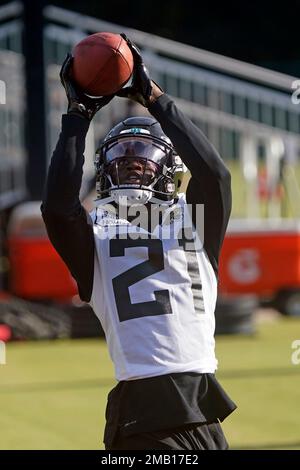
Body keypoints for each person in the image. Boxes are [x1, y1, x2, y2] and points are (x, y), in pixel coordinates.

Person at [41, 34, 236, 450]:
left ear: (168, 166)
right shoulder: (94, 238)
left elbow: (216, 175)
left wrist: (153, 96)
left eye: (143, 154)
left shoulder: (193, 218)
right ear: (105, 168)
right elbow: (58, 209)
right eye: (122, 156)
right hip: (144, 414)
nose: (132, 163)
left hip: (201, 409)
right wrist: (77, 115)